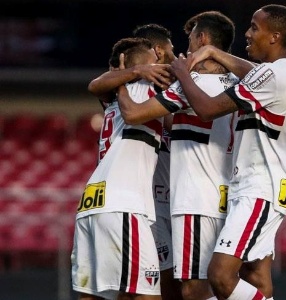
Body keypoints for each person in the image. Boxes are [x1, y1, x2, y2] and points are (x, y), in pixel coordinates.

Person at [170, 4, 286, 300]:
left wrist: (183, 74)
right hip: (271, 186)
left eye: (255, 28)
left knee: (220, 275)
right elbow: (255, 74)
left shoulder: (271, 76)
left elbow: (206, 110)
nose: (247, 32)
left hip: (259, 187)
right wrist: (215, 53)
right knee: (255, 275)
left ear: (275, 36)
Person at [115, 11, 239, 300]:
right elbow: (180, 124)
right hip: (226, 195)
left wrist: (123, 77)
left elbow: (133, 114)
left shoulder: (188, 86)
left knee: (194, 289)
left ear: (203, 39)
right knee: (218, 282)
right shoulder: (238, 83)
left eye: (190, 37)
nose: (185, 47)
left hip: (195, 198)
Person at [87, 23, 182, 300]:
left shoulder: (135, 92)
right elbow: (96, 85)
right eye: (171, 50)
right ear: (158, 52)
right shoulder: (136, 89)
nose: (175, 56)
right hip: (140, 203)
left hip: (146, 200)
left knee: (130, 289)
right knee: (158, 289)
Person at [71, 37, 163, 300]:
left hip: (92, 203)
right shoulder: (144, 89)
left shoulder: (113, 103)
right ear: (140, 67)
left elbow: (96, 85)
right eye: (154, 60)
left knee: (94, 295)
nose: (159, 62)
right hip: (123, 204)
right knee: (148, 294)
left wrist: (123, 75)